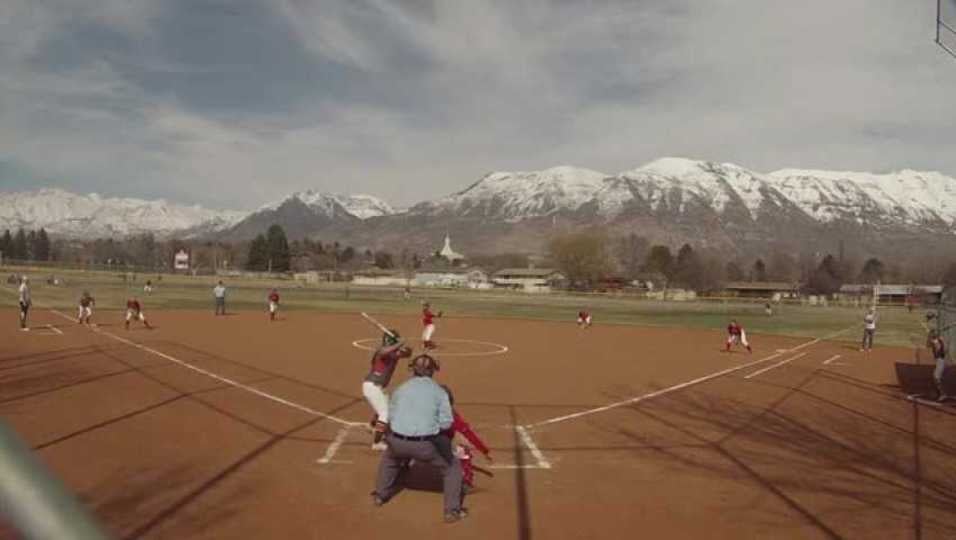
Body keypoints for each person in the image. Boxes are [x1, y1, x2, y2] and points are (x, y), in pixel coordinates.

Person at [372, 354, 467, 523]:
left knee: (389, 459)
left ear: (413, 369)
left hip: (396, 442)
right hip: (425, 445)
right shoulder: (439, 392)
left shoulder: (400, 388)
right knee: (452, 467)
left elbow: (390, 416)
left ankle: (380, 495)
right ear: (433, 371)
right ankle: (451, 511)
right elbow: (446, 423)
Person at [363, 331, 413, 450]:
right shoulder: (382, 351)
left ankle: (371, 426)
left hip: (379, 388)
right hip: (372, 386)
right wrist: (399, 343)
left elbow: (408, 354)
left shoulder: (393, 353)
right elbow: (384, 352)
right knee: (384, 414)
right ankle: (377, 443)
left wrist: (404, 347)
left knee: (387, 407)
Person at [440, 385, 492, 492]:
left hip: (416, 446)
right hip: (439, 448)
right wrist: (484, 450)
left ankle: (403, 466)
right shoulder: (452, 417)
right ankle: (466, 482)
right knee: (463, 449)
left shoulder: (423, 412)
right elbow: (469, 434)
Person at [929, 332, 949, 402]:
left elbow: (942, 350)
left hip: (940, 361)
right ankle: (939, 393)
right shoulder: (936, 342)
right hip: (939, 361)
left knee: (936, 377)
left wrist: (940, 341)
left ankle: (943, 394)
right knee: (935, 377)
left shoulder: (938, 342)